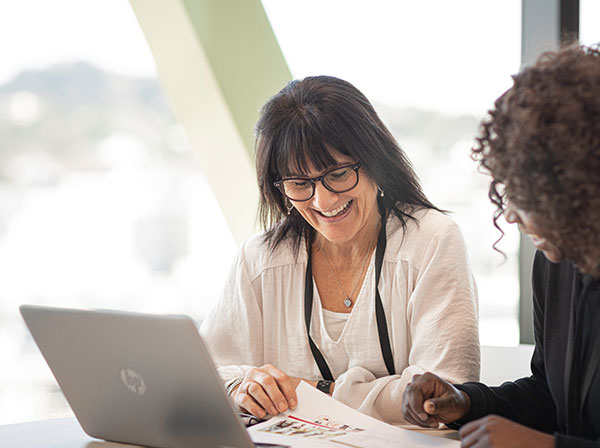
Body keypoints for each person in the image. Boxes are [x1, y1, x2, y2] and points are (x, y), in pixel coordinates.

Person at [200, 75, 480, 425]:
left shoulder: (433, 241)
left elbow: (441, 395)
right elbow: (207, 374)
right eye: (300, 183)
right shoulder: (260, 259)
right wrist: (241, 388)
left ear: (375, 162)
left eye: (338, 174)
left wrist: (310, 392)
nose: (323, 200)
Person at [402, 44, 600, 446]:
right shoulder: (557, 262)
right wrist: (467, 402)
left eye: (530, 196)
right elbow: (549, 395)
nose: (510, 215)